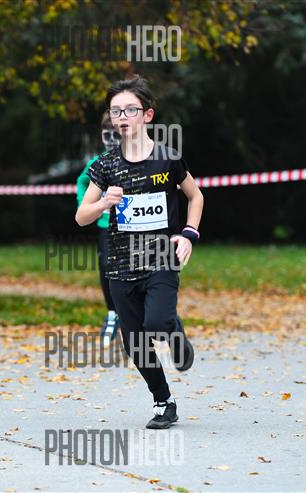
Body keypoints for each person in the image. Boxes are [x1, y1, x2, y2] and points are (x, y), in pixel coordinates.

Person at [75, 75, 204, 429]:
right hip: (120, 266)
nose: (122, 117)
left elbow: (195, 196)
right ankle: (164, 402)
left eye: (130, 110)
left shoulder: (167, 159)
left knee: (157, 323)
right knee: (136, 343)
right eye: (116, 111)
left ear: (147, 115)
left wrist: (188, 234)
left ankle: (174, 331)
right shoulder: (105, 166)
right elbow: (81, 216)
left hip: (161, 258)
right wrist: (104, 202)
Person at [75, 113, 121, 346]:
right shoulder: (98, 162)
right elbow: (82, 182)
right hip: (106, 223)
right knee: (105, 265)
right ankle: (112, 313)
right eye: (106, 135)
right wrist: (87, 206)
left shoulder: (138, 160)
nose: (111, 140)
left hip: (136, 226)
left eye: (116, 135)